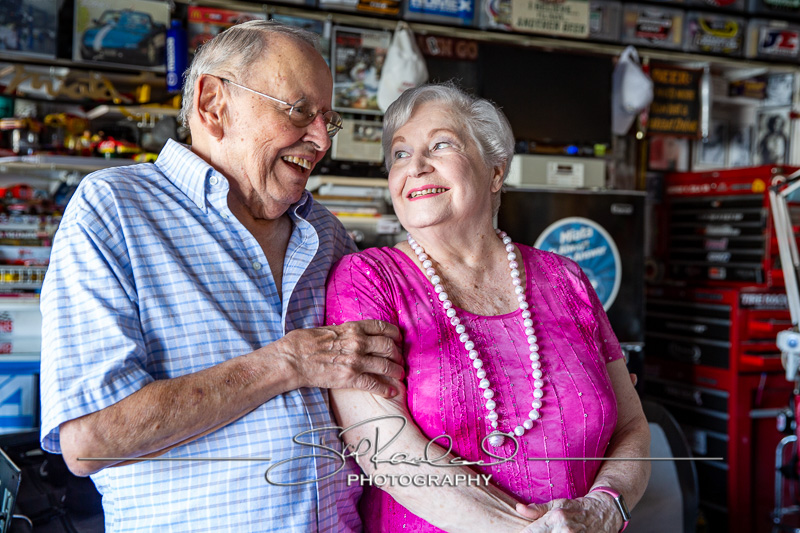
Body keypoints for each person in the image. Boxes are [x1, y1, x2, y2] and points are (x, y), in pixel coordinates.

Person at [39, 21, 406, 531]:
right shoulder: (115, 208)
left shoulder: (324, 231)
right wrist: (287, 363)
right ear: (214, 104)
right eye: (299, 111)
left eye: (328, 120)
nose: (321, 140)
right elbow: (91, 441)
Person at [326, 83, 651, 532]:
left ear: (495, 172)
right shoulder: (369, 279)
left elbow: (633, 426)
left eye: (441, 144)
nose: (416, 166)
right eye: (400, 154)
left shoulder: (566, 279)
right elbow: (380, 446)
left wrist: (607, 507)